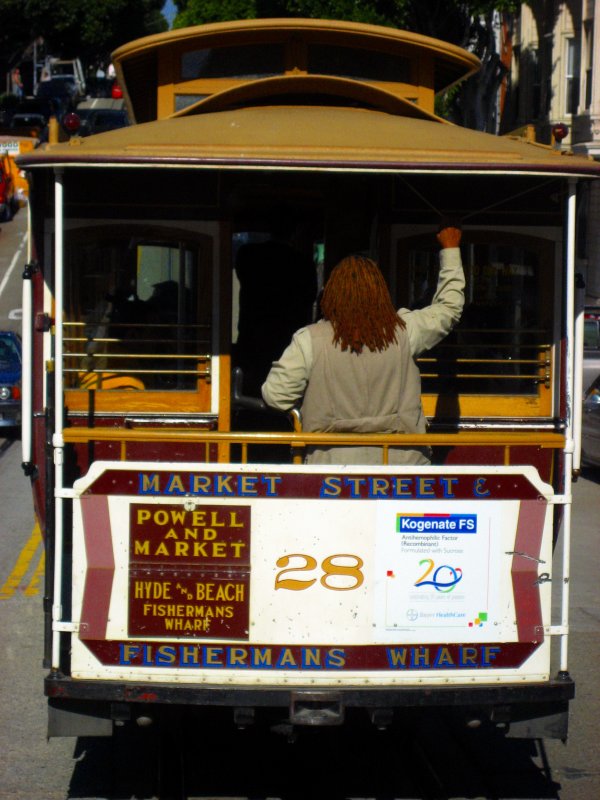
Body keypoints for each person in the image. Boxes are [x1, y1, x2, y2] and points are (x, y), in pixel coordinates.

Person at [261, 225, 464, 464]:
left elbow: (276, 396)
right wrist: (451, 250)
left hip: (332, 469)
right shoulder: (406, 331)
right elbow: (449, 309)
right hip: (403, 467)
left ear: (331, 294)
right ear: (381, 292)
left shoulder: (309, 339)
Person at [234, 212, 317, 396]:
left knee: (250, 393)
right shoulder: (303, 263)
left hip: (252, 339)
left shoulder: (248, 254)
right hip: (287, 342)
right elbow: (309, 298)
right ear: (294, 233)